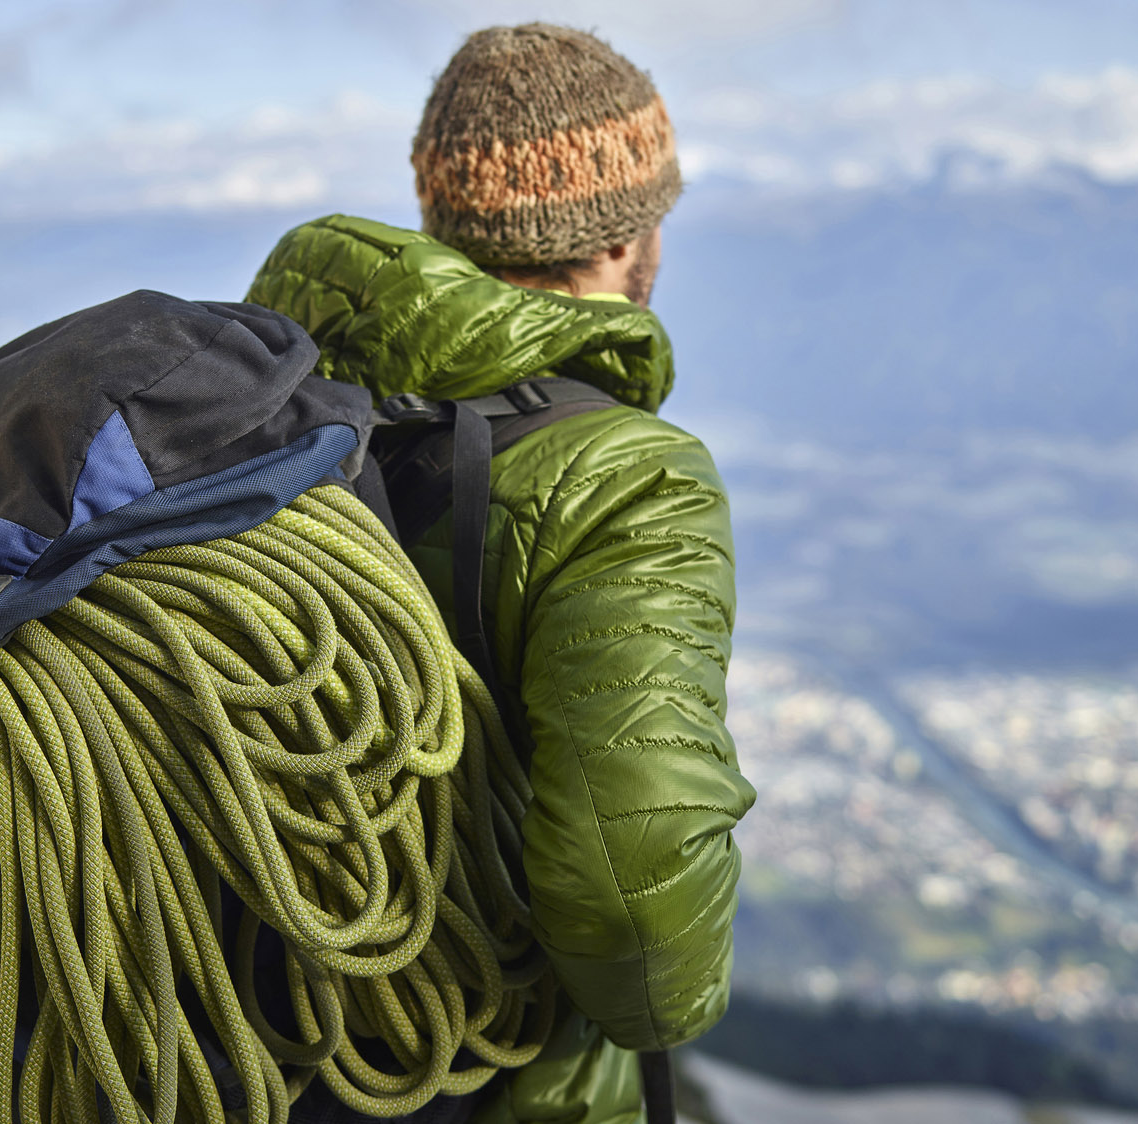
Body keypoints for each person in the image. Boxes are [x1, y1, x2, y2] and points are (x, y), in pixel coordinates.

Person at [244, 23, 756, 1124]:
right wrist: (672, 1007)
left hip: (229, 1038)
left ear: (442, 219)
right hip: (471, 1075)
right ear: (628, 239)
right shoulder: (627, 476)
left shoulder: (266, 400)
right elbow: (636, 905)